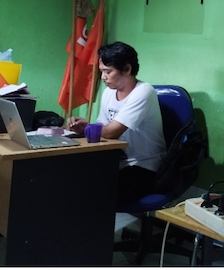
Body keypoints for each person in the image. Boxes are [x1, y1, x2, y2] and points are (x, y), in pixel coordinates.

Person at [68, 41, 167, 208]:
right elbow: (103, 126)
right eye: (102, 71)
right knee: (75, 178)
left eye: (108, 71)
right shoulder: (109, 92)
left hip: (145, 166)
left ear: (127, 69)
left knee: (96, 193)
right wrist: (86, 127)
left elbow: (110, 132)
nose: (103, 77)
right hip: (119, 161)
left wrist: (88, 128)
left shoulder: (143, 92)